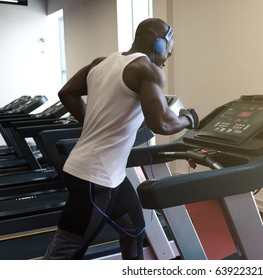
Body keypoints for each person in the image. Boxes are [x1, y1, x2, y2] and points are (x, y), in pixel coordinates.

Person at [43, 18, 199, 260]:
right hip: (93, 179)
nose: (167, 60)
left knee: (135, 230)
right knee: (64, 254)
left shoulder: (101, 63)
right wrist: (189, 119)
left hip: (110, 176)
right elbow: (163, 123)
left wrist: (93, 123)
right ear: (158, 44)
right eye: (168, 52)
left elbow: (67, 93)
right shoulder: (148, 70)